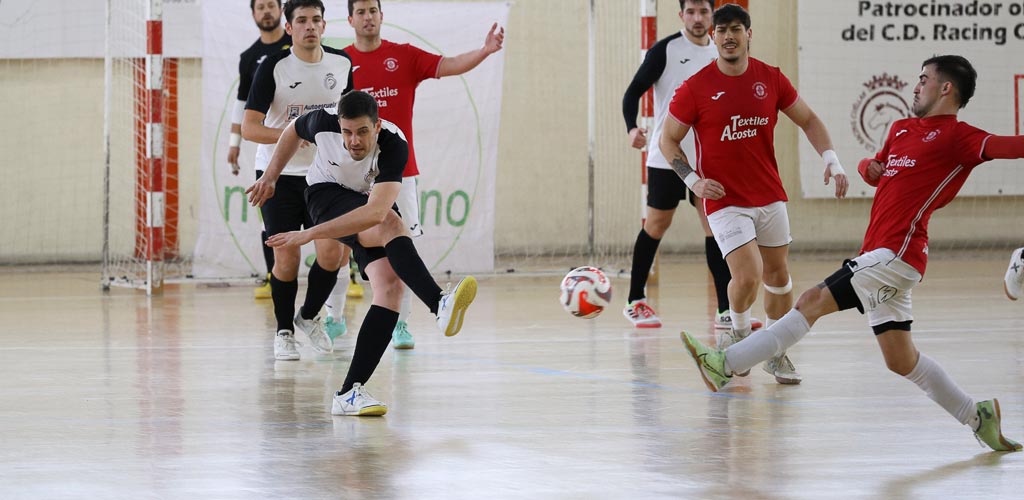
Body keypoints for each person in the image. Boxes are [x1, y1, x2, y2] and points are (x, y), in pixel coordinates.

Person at [680, 55, 1024, 452]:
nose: (916, 85)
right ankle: (976, 415)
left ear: (946, 88)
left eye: (924, 79)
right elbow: (876, 166)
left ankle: (726, 364)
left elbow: (1011, 146)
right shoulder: (900, 128)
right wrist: (868, 167)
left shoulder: (958, 137)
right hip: (882, 254)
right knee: (900, 359)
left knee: (811, 301)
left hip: (898, 255)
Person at [248, 90, 478, 415]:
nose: (353, 141)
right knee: (391, 224)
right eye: (347, 132)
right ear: (338, 125)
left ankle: (349, 393)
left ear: (377, 125)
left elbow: (374, 212)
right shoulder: (322, 121)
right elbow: (291, 131)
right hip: (325, 195)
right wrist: (270, 177)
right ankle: (439, 302)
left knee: (390, 286)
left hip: (366, 201)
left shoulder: (394, 145)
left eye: (362, 132)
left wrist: (308, 235)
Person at [659, 4, 848, 384]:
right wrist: (693, 180)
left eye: (736, 29)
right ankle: (739, 334)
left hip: (768, 194)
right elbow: (668, 140)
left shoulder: (771, 78)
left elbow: (808, 119)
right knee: (747, 277)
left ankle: (775, 352)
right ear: (712, 36)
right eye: (721, 30)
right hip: (724, 198)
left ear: (749, 34)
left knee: (779, 279)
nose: (728, 36)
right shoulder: (695, 88)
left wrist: (832, 160)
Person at [344, 0, 504, 349]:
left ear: (381, 16)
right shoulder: (341, 63)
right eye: (361, 12)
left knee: (401, 243)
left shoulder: (403, 56)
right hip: (352, 174)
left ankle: (402, 324)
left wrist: (485, 50)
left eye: (373, 10)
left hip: (400, 172)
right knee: (341, 247)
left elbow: (447, 65)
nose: (368, 17)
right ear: (350, 19)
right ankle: (331, 318)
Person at [621, 0, 760, 332]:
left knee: (716, 229)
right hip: (667, 158)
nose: (698, 19)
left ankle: (726, 310)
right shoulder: (664, 51)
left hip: (709, 160)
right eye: (691, 12)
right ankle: (635, 299)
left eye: (704, 12)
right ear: (681, 15)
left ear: (712, 15)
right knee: (656, 224)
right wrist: (631, 127)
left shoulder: (722, 52)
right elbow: (632, 93)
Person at [242, 0, 354, 360]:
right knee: (286, 258)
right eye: (302, 20)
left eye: (316, 20)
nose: (310, 26)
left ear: (324, 25)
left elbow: (349, 118)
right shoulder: (272, 67)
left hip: (324, 175)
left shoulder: (342, 64)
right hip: (278, 175)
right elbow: (250, 127)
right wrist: (294, 135)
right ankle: (284, 331)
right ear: (289, 28)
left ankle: (307, 316)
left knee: (333, 253)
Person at [228, 0, 291, 301]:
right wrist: (234, 145)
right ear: (253, 14)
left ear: (281, 11)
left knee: (332, 214)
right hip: (271, 147)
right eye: (260, 6)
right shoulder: (249, 57)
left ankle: (350, 275)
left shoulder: (299, 44)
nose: (266, 11)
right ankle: (271, 276)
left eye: (271, 5)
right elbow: (242, 104)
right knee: (272, 218)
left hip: (310, 147)